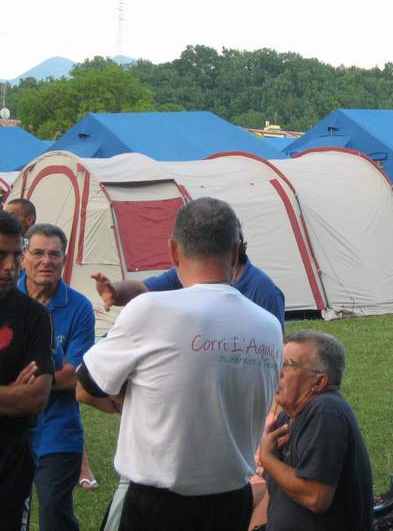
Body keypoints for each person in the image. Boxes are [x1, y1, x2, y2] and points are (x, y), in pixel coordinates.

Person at [76, 197, 283, 531]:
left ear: (173, 252)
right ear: (234, 252)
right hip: (232, 501)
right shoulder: (269, 327)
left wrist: (140, 402)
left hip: (156, 505)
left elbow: (85, 388)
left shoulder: (149, 311)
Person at [17, 224, 95, 531]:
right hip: (11, 428)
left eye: (54, 254)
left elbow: (74, 376)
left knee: (53, 512)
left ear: (64, 259)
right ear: (23, 257)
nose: (46, 261)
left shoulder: (79, 308)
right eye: (38, 253)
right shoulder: (7, 300)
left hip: (58, 431)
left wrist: (21, 380)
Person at [260, 330, 373, 531]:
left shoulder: (326, 411)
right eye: (279, 362)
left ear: (319, 382)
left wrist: (268, 460)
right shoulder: (289, 415)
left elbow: (316, 496)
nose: (278, 371)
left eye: (289, 364)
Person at [92, 228, 285, 328]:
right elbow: (143, 290)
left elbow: (273, 358)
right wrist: (116, 292)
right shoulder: (188, 276)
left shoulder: (263, 290)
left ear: (233, 251)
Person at [0, 210, 54, 531]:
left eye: (15, 255)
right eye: (0, 255)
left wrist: (24, 395)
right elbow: (19, 397)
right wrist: (10, 393)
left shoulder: (34, 317)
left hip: (10, 463)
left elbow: (35, 398)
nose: (10, 266)